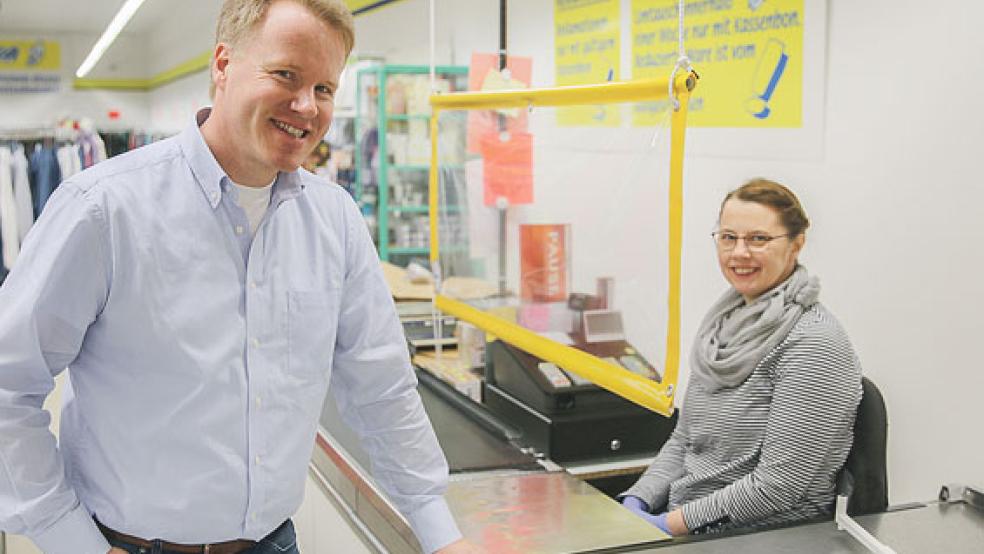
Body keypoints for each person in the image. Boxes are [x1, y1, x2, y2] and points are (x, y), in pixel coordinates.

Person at [0, 1, 476, 552]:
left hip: (275, 543)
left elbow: (381, 387)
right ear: (223, 65)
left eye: (324, 89)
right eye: (286, 75)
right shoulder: (104, 210)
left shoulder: (334, 219)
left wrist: (438, 530)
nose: (306, 106)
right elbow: (9, 384)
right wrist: (69, 540)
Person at [620, 179, 862, 536]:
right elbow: (686, 440)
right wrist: (636, 502)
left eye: (759, 239)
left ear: (797, 244)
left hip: (766, 536)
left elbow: (777, 486)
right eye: (728, 237)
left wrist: (666, 527)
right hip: (690, 523)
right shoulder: (723, 327)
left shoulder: (813, 343)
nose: (739, 253)